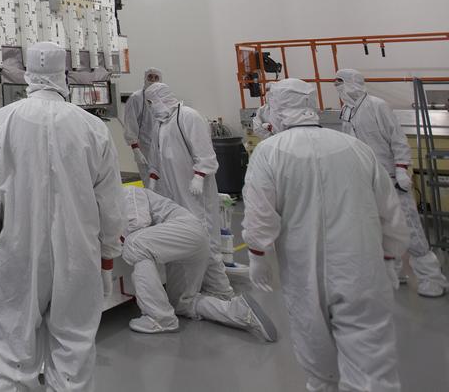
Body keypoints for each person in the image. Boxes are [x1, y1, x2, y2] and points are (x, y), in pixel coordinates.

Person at [0, 42, 123, 391]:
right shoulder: (93, 128)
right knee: (73, 352)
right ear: (64, 74)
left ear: (28, 75)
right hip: (79, 256)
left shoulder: (0, 122)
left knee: (13, 352)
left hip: (19, 252)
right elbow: (112, 206)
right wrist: (107, 260)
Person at [243, 78, 408, 392]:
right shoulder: (355, 148)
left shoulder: (269, 153)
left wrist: (257, 255)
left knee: (319, 367)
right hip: (361, 269)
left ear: (276, 109)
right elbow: (390, 213)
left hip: (305, 275)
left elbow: (259, 214)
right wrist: (389, 258)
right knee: (372, 368)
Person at [335, 68, 447, 298]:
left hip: (391, 178)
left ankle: (432, 278)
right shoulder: (346, 110)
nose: (337, 87)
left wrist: (402, 168)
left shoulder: (377, 105)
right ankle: (394, 273)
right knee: (379, 229)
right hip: (366, 180)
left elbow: (397, 138)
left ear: (354, 82)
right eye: (335, 83)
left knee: (410, 229)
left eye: (340, 82)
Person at [120, 185, 276, 341]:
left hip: (185, 230)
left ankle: (159, 318)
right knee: (181, 303)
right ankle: (240, 312)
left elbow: (137, 224)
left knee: (133, 244)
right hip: (190, 242)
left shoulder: (126, 192)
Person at [144, 82, 234, 299]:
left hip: (195, 191)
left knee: (205, 237)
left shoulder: (189, 116)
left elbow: (204, 152)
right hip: (172, 191)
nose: (149, 107)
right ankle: (192, 288)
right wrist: (154, 179)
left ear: (159, 99)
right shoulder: (160, 123)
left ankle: (222, 291)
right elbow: (157, 156)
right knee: (183, 237)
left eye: (150, 102)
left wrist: (200, 176)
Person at [122, 67, 163, 182]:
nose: (153, 80)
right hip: (145, 148)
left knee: (164, 181)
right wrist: (136, 150)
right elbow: (130, 124)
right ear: (145, 78)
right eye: (150, 77)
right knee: (149, 180)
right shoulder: (136, 98)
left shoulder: (162, 98)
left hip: (162, 147)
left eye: (156, 77)